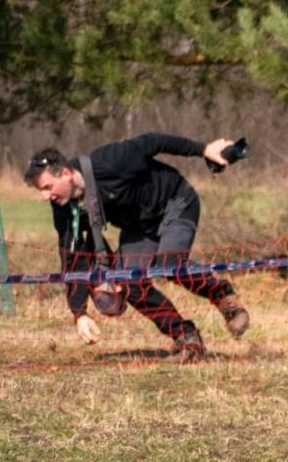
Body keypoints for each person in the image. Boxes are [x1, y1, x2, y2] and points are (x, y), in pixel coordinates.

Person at [23, 133, 250, 362]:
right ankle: (187, 338)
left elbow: (155, 141)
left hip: (175, 203)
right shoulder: (63, 207)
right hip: (139, 226)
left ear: (66, 174)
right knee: (130, 282)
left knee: (170, 265)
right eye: (41, 190)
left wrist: (204, 150)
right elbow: (72, 259)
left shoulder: (111, 161)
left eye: (47, 187)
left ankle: (223, 297)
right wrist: (79, 314)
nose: (44, 196)